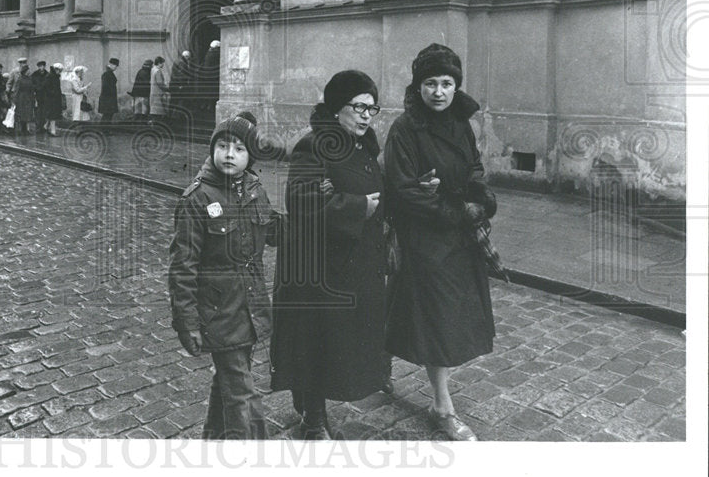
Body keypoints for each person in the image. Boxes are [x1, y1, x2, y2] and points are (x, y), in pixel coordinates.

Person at [270, 70, 393, 439]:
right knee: (315, 340)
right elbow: (301, 199)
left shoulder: (363, 146)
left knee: (338, 340)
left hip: (350, 262)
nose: (366, 116)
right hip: (317, 266)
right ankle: (312, 417)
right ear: (337, 108)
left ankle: (318, 403)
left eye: (372, 109)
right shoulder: (315, 144)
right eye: (358, 107)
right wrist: (358, 207)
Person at [383, 43, 497, 442]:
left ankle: (386, 367)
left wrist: (480, 198)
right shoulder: (405, 129)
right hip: (424, 237)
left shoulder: (461, 122)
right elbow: (403, 189)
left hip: (459, 237)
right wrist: (454, 210)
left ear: (456, 85)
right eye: (430, 83)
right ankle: (442, 406)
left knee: (443, 316)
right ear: (419, 86)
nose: (439, 92)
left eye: (447, 83)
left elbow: (474, 165)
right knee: (437, 320)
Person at [168, 112, 281, 439]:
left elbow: (274, 230)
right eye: (223, 145)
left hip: (250, 308)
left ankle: (214, 440)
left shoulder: (255, 190)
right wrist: (187, 322)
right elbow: (182, 266)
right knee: (243, 394)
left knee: (231, 381)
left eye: (239, 148)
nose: (229, 153)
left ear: (250, 156)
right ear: (212, 149)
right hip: (219, 314)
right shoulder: (197, 199)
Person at [7, 57, 36, 135]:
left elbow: (32, 88)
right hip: (20, 97)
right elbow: (14, 87)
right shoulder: (16, 74)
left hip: (27, 98)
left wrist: (33, 98)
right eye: (21, 62)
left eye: (24, 62)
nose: (23, 64)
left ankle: (25, 129)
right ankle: (17, 129)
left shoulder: (29, 77)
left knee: (26, 114)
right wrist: (12, 97)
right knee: (19, 113)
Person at [40, 62, 63, 136]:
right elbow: (45, 87)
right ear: (56, 69)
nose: (60, 72)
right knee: (53, 115)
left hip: (54, 99)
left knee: (52, 114)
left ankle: (45, 126)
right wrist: (53, 93)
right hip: (51, 99)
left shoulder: (55, 76)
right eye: (59, 70)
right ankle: (53, 131)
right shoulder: (50, 76)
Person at [98, 57, 119, 122]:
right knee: (107, 116)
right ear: (111, 65)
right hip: (108, 99)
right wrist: (111, 94)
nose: (116, 67)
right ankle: (103, 130)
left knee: (108, 116)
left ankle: (105, 130)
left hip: (109, 99)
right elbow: (105, 87)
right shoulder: (107, 74)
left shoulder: (109, 73)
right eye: (115, 65)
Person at [150, 56, 170, 124]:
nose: (163, 65)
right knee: (158, 109)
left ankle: (153, 122)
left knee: (154, 109)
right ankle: (156, 124)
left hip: (153, 91)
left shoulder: (153, 69)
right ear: (159, 63)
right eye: (162, 63)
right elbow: (160, 83)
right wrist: (167, 89)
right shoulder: (158, 71)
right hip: (158, 92)